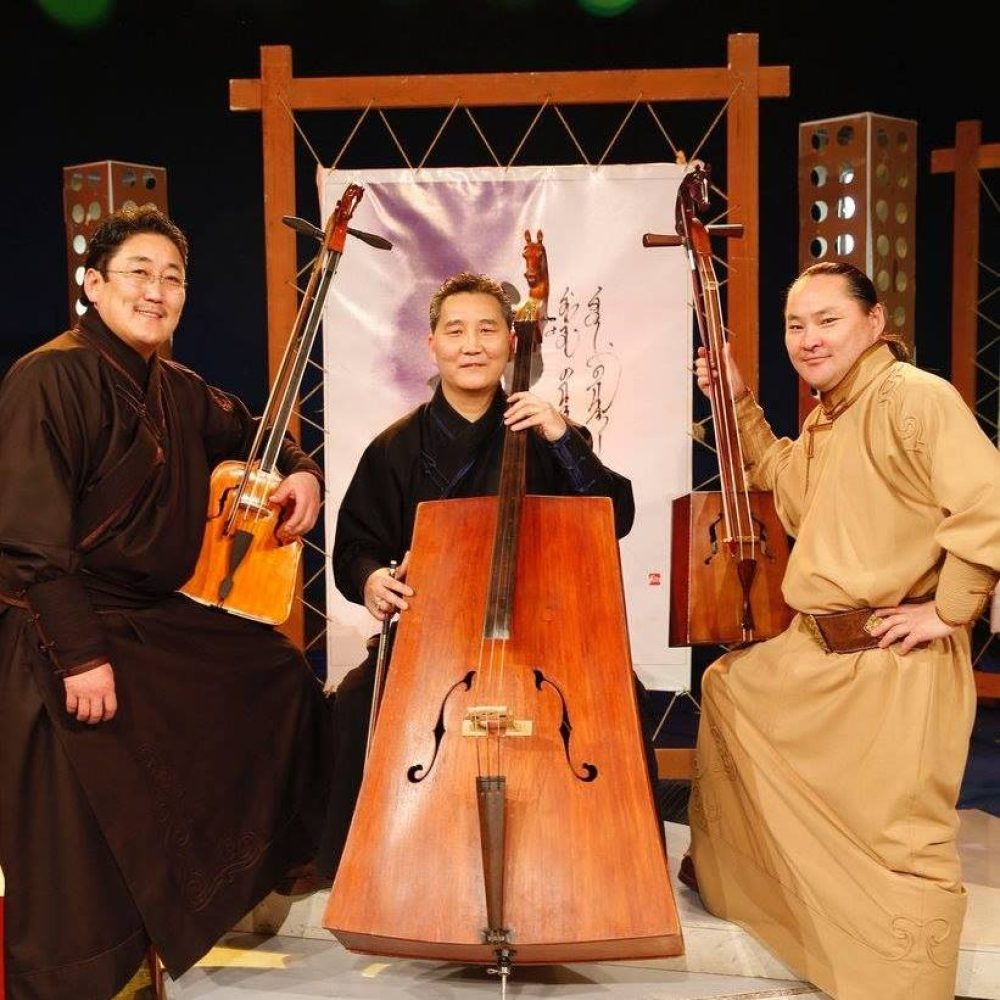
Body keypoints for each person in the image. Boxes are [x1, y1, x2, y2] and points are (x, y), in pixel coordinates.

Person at [0, 205, 334, 1000]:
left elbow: (257, 435)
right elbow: (30, 541)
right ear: (92, 284)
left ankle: (225, 882)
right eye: (139, 273)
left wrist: (301, 473)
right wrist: (81, 657)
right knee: (80, 835)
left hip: (147, 619)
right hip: (56, 625)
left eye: (172, 278)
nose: (156, 291)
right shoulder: (48, 378)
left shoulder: (178, 389)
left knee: (273, 673)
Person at [685, 261, 1000, 1000]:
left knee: (896, 842)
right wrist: (738, 402)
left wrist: (949, 609)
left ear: (874, 321)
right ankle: (768, 895)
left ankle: (901, 985)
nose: (809, 338)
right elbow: (788, 484)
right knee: (731, 687)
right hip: (820, 651)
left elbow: (989, 502)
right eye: (796, 325)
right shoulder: (830, 414)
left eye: (828, 320)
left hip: (894, 658)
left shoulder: (913, 397)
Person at [315, 270, 654, 879]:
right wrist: (372, 581)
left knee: (619, 694)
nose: (471, 345)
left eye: (487, 330)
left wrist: (562, 436)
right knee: (356, 702)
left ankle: (613, 865)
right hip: (432, 636)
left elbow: (616, 517)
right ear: (432, 345)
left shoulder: (546, 433)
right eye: (455, 331)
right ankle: (367, 872)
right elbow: (353, 551)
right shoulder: (394, 447)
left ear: (511, 343)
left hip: (541, 633)